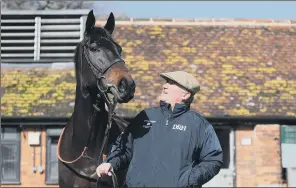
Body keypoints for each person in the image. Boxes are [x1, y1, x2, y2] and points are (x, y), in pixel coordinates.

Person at [96, 71, 223, 187]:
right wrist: (110, 163)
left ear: (185, 95)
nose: (165, 86)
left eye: (171, 83)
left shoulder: (199, 125)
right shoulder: (144, 116)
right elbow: (124, 149)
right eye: (166, 82)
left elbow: (213, 160)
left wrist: (188, 181)